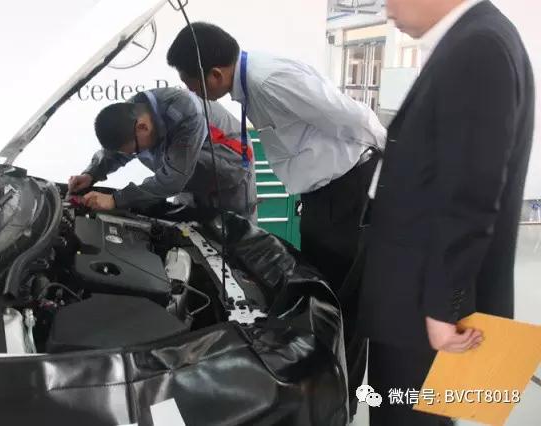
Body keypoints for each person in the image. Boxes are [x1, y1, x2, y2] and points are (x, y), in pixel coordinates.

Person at [167, 22, 387, 416]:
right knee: (327, 300)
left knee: (342, 308)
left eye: (190, 82)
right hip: (325, 197)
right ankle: (334, 394)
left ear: (214, 74)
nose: (191, 91)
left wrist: (387, 159)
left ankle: (344, 403)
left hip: (345, 192)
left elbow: (350, 116)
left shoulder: (270, 80)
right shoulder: (252, 83)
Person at [357, 1, 535, 424]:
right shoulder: (476, 37)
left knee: (411, 417)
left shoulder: (480, 46)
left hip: (424, 309)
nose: (387, 11)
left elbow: (470, 192)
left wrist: (444, 310)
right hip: (418, 299)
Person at [68, 87, 257, 222]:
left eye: (136, 151)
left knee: (233, 241)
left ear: (143, 127)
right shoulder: (133, 113)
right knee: (185, 228)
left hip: (229, 171)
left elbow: (173, 180)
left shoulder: (185, 112)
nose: (135, 154)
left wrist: (115, 200)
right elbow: (117, 153)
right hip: (188, 176)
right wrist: (91, 174)